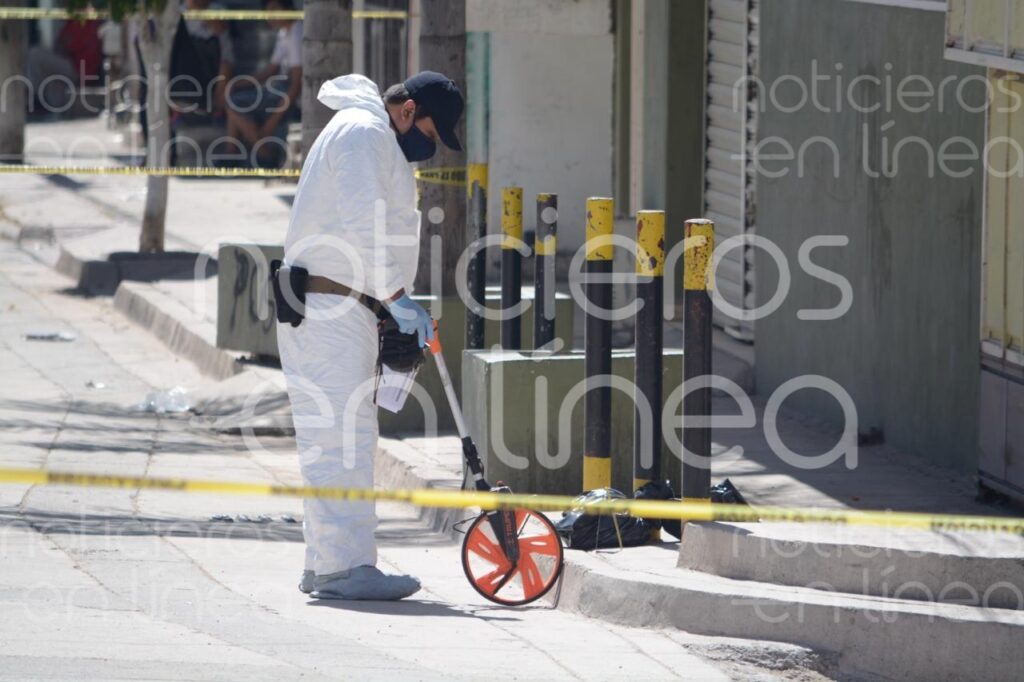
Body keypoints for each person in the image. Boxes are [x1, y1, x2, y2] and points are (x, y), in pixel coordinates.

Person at [278, 71, 463, 600]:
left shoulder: (370, 134)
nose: (430, 146)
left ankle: (325, 563)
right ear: (408, 110)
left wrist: (388, 305)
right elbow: (364, 222)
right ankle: (343, 569)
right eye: (431, 133)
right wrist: (396, 296)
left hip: (344, 307)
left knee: (339, 441)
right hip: (331, 308)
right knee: (341, 442)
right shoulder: (362, 132)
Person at [225, 0, 302, 166]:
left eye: (274, 10)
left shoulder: (297, 34)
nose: (270, 16)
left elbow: (296, 85)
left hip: (287, 94)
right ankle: (232, 153)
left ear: (288, 9)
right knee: (233, 97)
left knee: (234, 104)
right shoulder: (284, 32)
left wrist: (272, 121)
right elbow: (270, 70)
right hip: (277, 88)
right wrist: (239, 83)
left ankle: (263, 153)